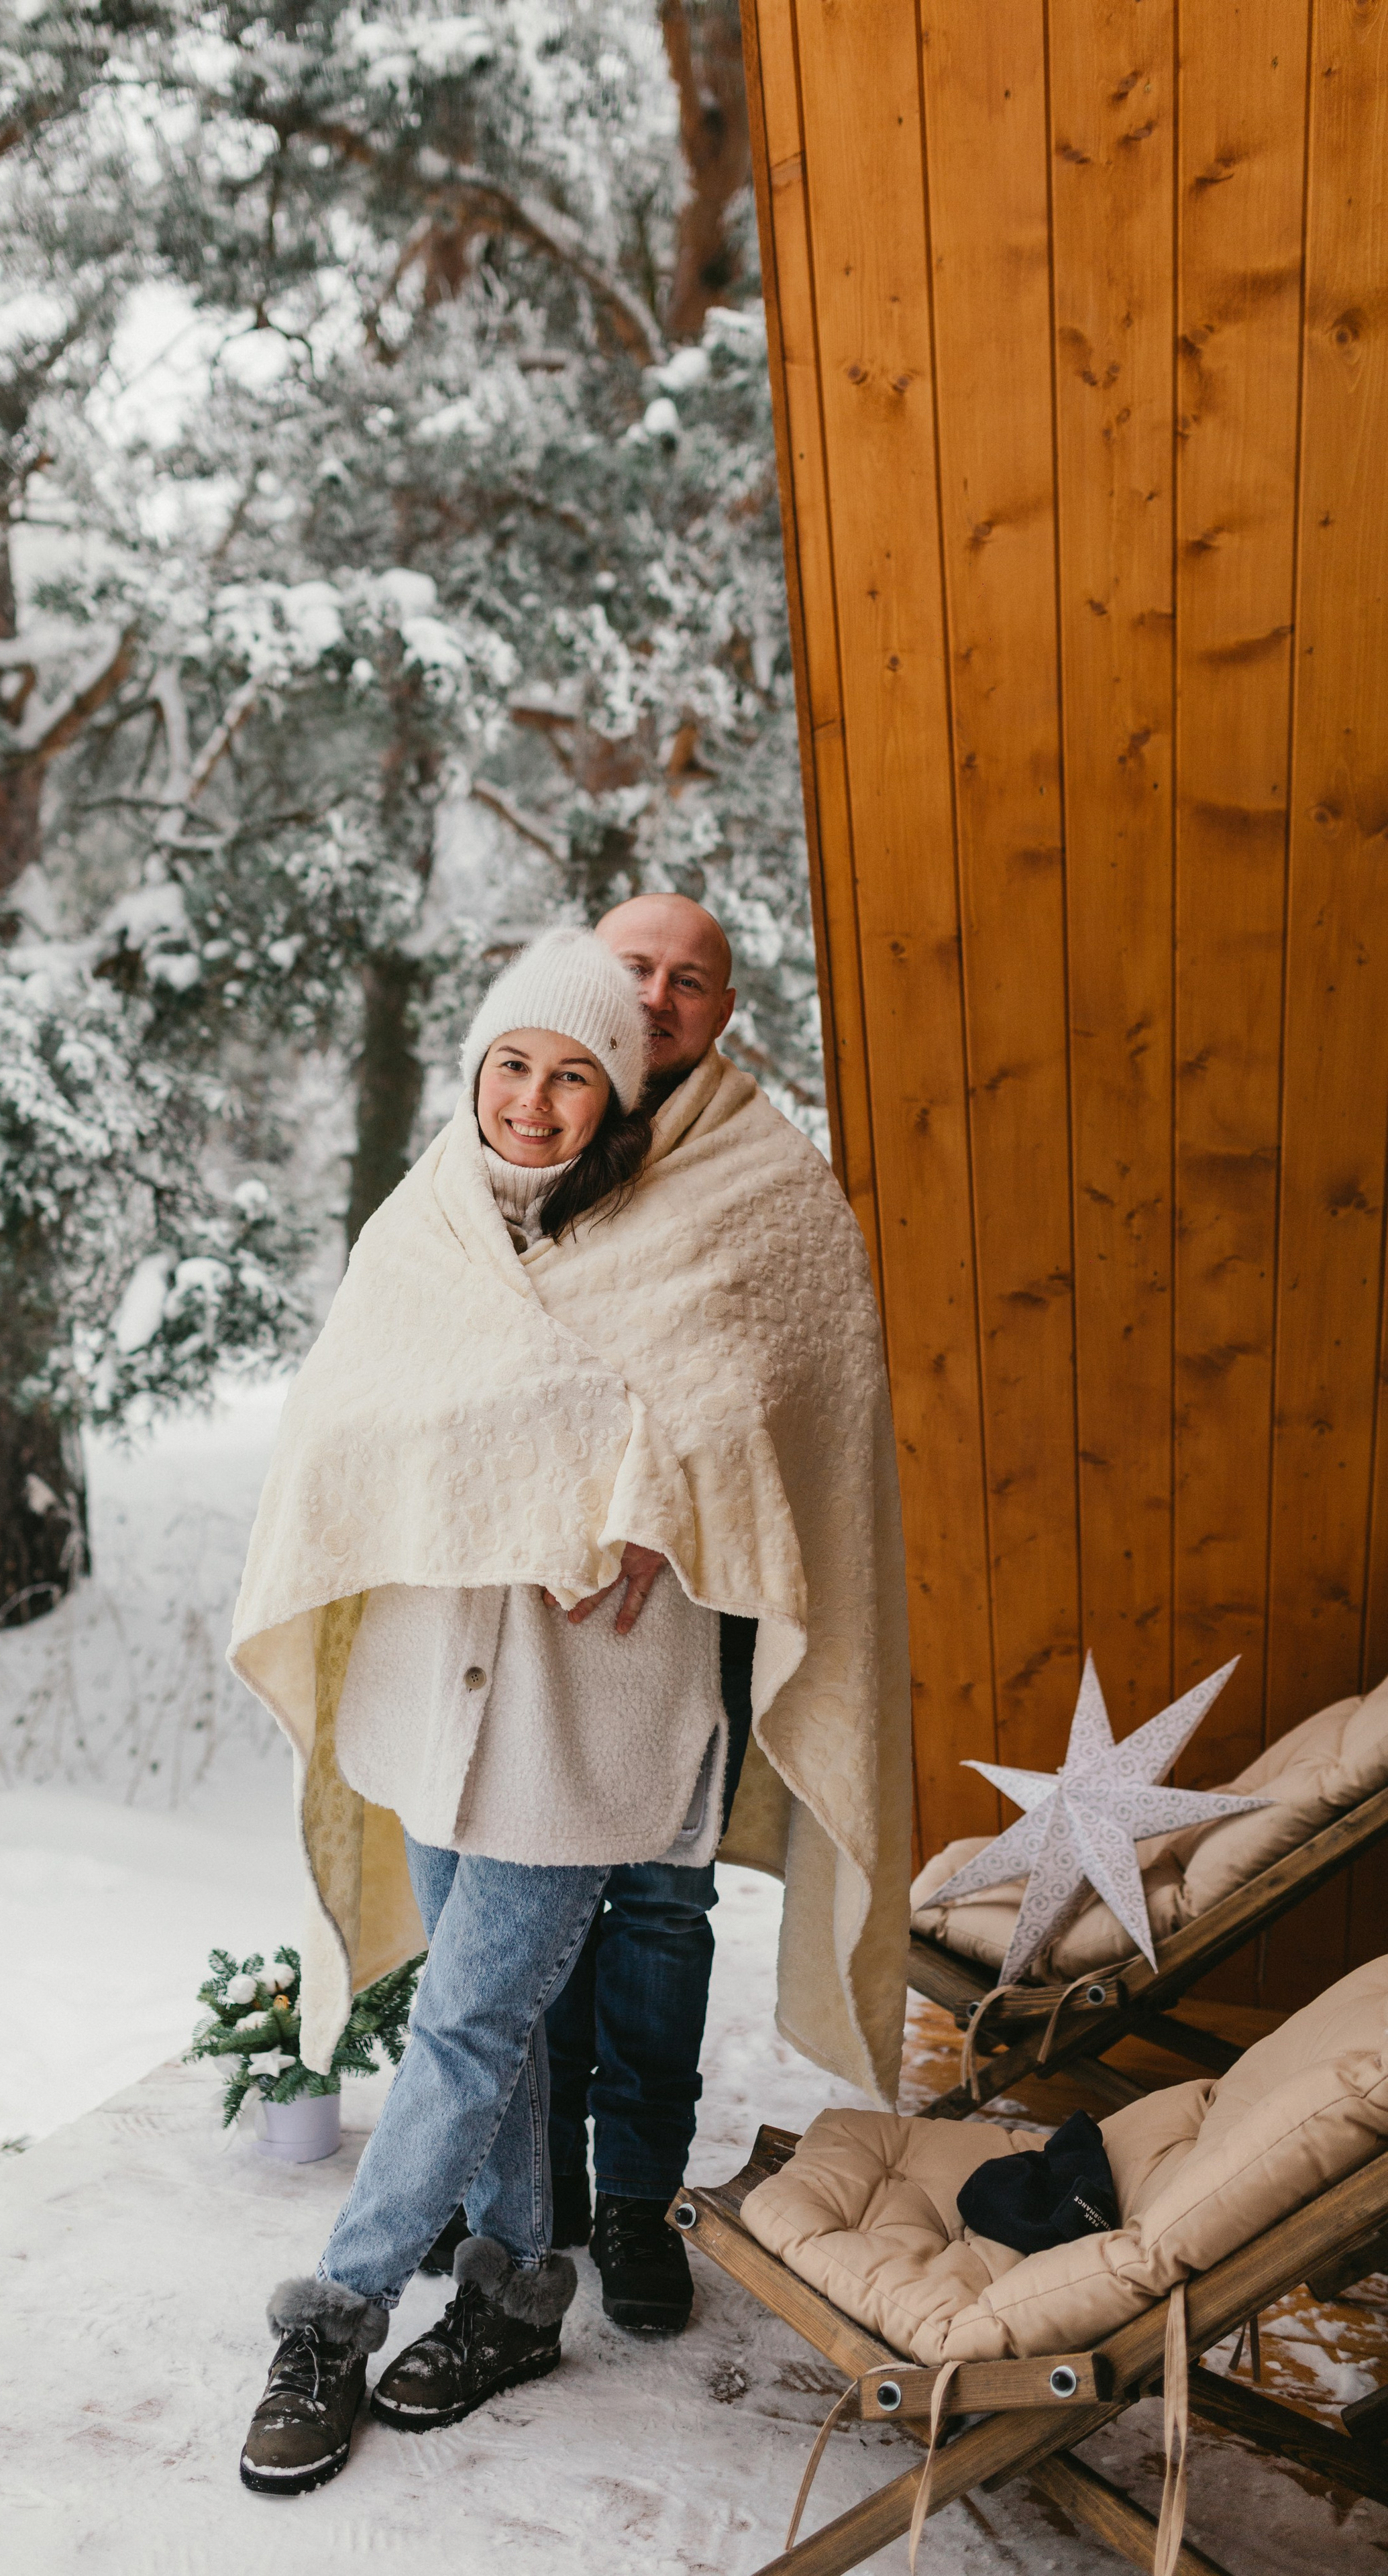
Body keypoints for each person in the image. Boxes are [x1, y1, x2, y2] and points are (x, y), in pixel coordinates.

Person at [229, 920, 911, 2498]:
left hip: (592, 1706)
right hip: (432, 1692)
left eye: (572, 1078)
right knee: (504, 2026)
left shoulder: (691, 1209)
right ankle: (516, 2293)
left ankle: (334, 2317)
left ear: (618, 1095)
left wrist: (659, 1503)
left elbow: (741, 1416)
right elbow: (347, 1422)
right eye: (511, 1067)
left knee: (466, 2022)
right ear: (476, 1068)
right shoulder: (428, 1221)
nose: (533, 1102)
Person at [420, 895, 757, 2334]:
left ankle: (637, 2200)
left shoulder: (752, 1166)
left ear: (724, 1010)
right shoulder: (513, 1136)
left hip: (687, 1592)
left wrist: (672, 1501)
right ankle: (534, 2188)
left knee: (661, 1907)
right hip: (521, 1596)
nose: (661, 997)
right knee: (526, 1874)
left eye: (692, 979)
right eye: (637, 969)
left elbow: (776, 1379)